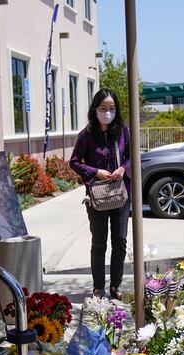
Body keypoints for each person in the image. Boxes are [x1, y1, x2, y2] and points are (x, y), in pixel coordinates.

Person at [70, 88, 131, 300]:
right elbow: (74, 162)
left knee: (120, 241)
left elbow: (132, 157)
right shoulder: (86, 135)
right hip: (97, 196)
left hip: (121, 195)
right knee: (99, 243)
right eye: (104, 108)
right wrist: (96, 172)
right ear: (95, 109)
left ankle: (116, 286)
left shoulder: (123, 130)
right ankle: (98, 287)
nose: (108, 112)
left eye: (112, 108)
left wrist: (123, 169)